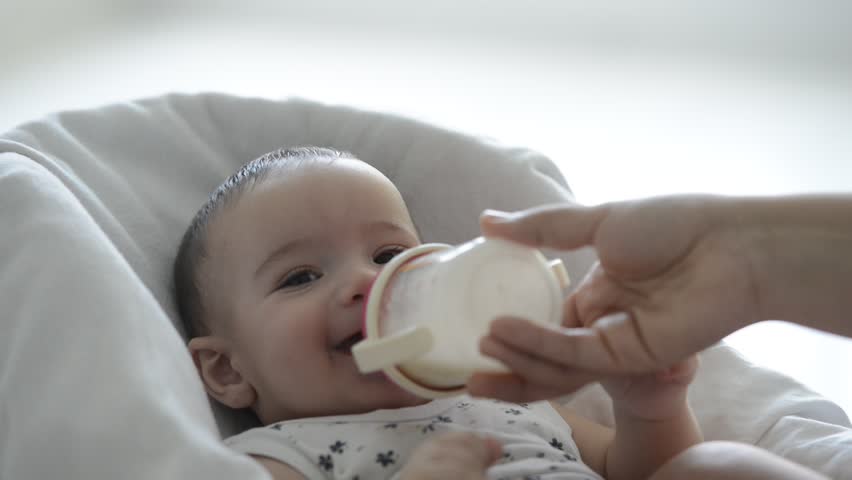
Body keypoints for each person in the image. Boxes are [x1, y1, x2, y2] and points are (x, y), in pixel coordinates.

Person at [172, 146, 710, 480]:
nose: (368, 281)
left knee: (724, 469)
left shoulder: (504, 396)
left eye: (387, 256)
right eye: (301, 277)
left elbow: (644, 472)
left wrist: (651, 411)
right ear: (229, 370)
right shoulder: (276, 457)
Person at [466, 195, 852, 478]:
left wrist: (649, 410)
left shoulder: (508, 404)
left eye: (402, 249)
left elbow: (644, 472)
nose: (405, 275)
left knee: (715, 467)